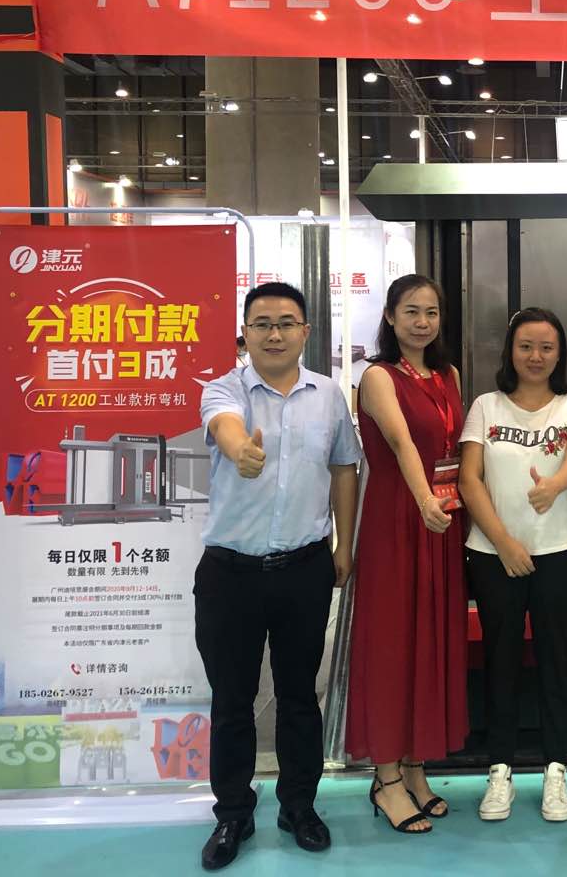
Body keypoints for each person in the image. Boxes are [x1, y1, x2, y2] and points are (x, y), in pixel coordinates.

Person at [195, 281, 361, 870]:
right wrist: (240, 450)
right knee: (232, 700)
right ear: (245, 333)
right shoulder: (224, 388)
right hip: (230, 573)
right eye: (262, 323)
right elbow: (225, 427)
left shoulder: (329, 396)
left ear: (305, 331)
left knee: (298, 697)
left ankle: (299, 806)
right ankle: (232, 814)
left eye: (286, 323)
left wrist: (344, 545)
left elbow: (344, 467)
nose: (274, 334)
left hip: (304, 569)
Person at [459, 308, 567, 823]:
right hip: (493, 554)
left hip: (559, 550)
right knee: (501, 660)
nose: (535, 356)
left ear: (559, 355)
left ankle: (556, 769)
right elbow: (469, 479)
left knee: (557, 660)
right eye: (525, 346)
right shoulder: (485, 406)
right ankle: (501, 770)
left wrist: (554, 486)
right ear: (510, 351)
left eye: (546, 348)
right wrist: (505, 543)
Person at [346, 274, 467, 835]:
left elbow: (454, 447)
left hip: (442, 519)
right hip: (398, 520)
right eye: (411, 311)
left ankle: (416, 766)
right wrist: (424, 502)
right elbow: (399, 444)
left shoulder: (448, 376)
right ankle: (386, 776)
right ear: (390, 317)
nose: (423, 322)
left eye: (432, 312)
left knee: (429, 641)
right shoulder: (376, 376)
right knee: (393, 644)